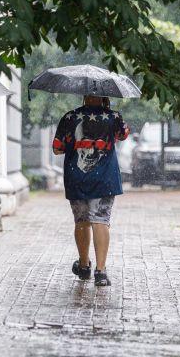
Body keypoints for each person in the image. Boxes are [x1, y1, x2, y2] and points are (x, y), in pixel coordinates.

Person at [52, 95, 129, 286]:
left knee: (82, 221)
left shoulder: (70, 117)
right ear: (104, 96)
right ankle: (101, 272)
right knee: (101, 220)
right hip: (105, 179)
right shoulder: (114, 117)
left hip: (77, 177)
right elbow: (123, 135)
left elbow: (57, 148)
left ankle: (84, 265)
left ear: (84, 95)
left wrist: (76, 146)